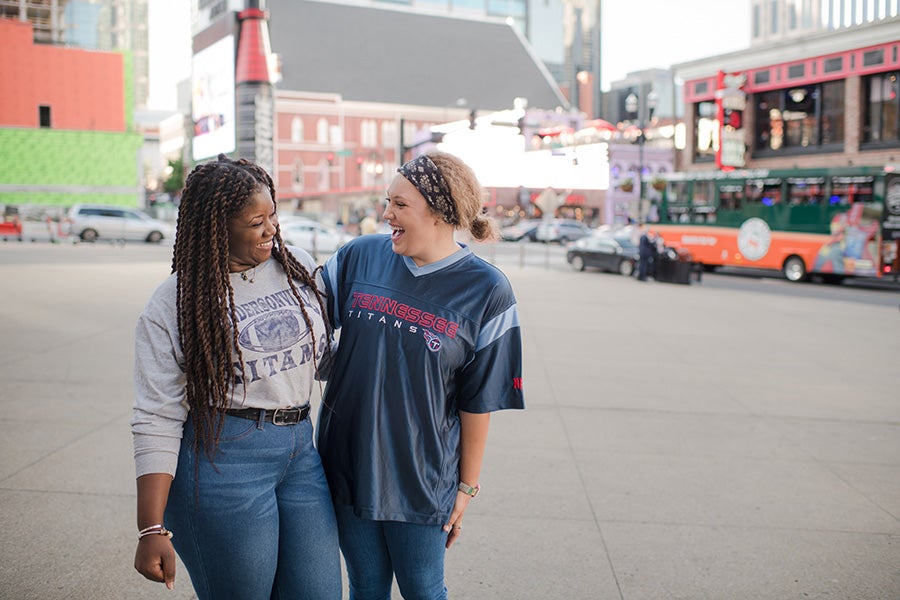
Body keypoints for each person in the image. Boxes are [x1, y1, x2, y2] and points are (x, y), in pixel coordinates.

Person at [130, 154, 341, 599]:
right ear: (217, 229)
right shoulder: (174, 303)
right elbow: (156, 415)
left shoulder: (296, 266)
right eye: (256, 222)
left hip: (300, 448)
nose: (272, 230)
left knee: (318, 591)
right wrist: (150, 526)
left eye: (273, 216)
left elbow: (326, 359)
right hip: (224, 457)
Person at [316, 151, 525, 599]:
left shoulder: (488, 290)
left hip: (421, 479)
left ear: (441, 211)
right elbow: (297, 322)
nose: (386, 214)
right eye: (387, 201)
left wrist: (466, 486)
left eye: (400, 204)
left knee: (423, 590)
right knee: (366, 587)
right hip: (346, 466)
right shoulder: (359, 256)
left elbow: (478, 402)